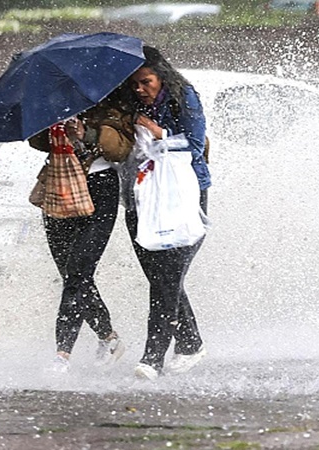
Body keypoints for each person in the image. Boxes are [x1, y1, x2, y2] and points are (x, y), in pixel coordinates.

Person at [120, 46, 211, 380]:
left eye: (146, 82)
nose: (140, 90)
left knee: (168, 276)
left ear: (162, 77)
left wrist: (159, 134)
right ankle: (190, 344)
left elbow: (195, 142)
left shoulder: (183, 96)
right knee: (160, 277)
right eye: (134, 85)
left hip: (183, 194)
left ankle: (152, 358)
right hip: (140, 196)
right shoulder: (127, 106)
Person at [29, 87, 135, 373]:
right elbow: (35, 141)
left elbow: (121, 149)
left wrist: (85, 133)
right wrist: (49, 123)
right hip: (59, 184)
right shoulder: (52, 100)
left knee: (78, 271)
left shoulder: (114, 103)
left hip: (100, 189)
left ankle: (62, 354)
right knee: (70, 274)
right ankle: (109, 338)